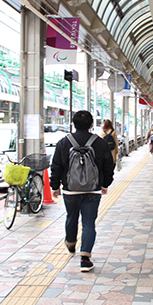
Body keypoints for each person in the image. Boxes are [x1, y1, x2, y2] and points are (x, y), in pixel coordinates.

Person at [50, 110, 114, 272]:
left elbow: (56, 166)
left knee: (71, 216)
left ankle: (71, 243)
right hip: (93, 190)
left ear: (73, 123)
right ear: (91, 124)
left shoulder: (64, 143)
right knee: (88, 222)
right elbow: (109, 165)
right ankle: (85, 259)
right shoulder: (100, 143)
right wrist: (105, 184)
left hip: (70, 190)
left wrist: (55, 186)